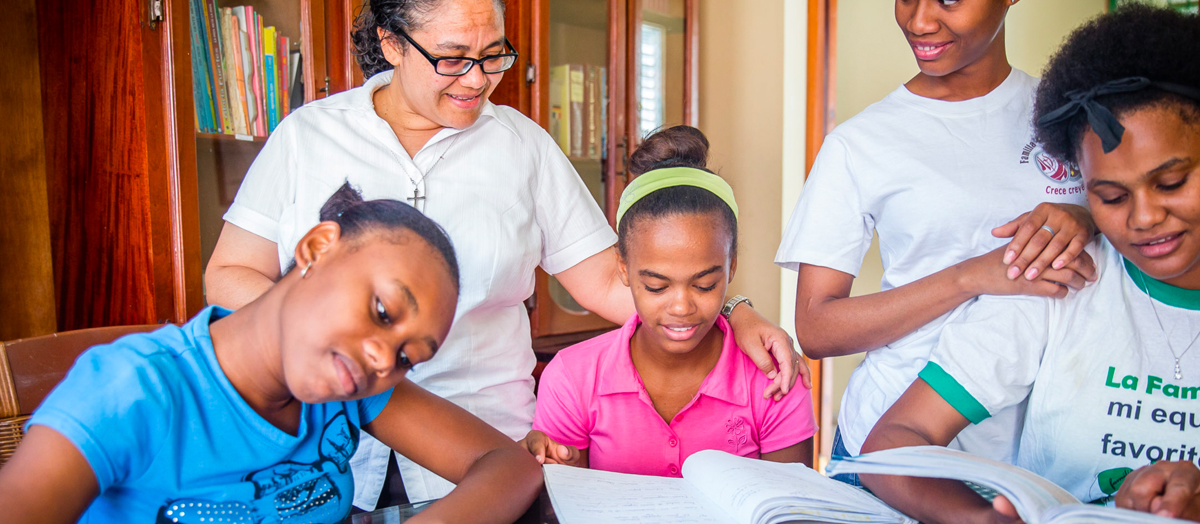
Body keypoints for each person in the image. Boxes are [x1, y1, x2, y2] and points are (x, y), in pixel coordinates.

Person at [204, 0, 806, 508]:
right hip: (326, 438)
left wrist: (735, 314)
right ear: (390, 43)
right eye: (452, 57)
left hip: (485, 452)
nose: (477, 78)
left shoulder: (522, 146)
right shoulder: (308, 136)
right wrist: (333, 329)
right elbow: (230, 275)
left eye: (494, 54)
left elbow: (615, 280)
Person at [860, 6, 1200, 523]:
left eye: (1171, 183)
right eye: (1110, 196)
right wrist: (981, 520)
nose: (1145, 218)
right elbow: (893, 443)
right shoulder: (1063, 280)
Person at [0, 190, 544, 524]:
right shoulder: (136, 389)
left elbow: (509, 464)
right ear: (316, 249)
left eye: (410, 355)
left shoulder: (350, 389)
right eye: (384, 312)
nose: (381, 357)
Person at [775, 0, 1100, 479]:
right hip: (890, 447)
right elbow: (817, 329)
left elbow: (1142, 233)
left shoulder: (1072, 120)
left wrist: (1089, 219)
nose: (919, 21)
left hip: (1041, 451)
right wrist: (970, 277)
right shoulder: (860, 143)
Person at [523, 127, 817, 475]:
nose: (681, 307)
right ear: (623, 268)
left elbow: (791, 507)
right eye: (656, 286)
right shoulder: (573, 378)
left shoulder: (773, 379)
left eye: (705, 285)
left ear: (731, 266)